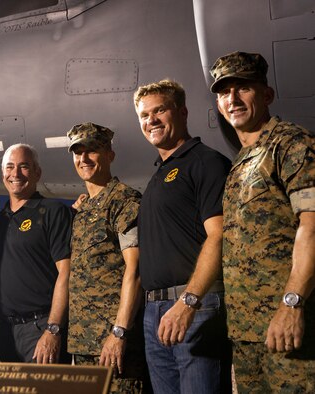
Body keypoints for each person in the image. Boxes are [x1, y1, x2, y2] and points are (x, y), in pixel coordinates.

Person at [210, 51, 315, 391]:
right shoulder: (241, 162)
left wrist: (292, 303)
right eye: (224, 92)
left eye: (244, 88)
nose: (232, 99)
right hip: (248, 332)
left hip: (288, 326)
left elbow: (312, 227)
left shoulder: (291, 143)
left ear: (266, 95)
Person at [133, 80, 232, 393]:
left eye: (159, 110)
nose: (151, 120)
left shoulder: (206, 162)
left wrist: (189, 301)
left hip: (196, 307)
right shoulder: (158, 175)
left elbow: (218, 236)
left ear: (182, 111)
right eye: (144, 115)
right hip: (156, 312)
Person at [66, 123, 147, 393]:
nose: (84, 159)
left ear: (109, 154)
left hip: (113, 345)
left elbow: (135, 270)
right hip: (84, 344)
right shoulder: (84, 208)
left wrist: (119, 332)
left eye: (92, 150)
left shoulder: (124, 201)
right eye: (78, 152)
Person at [0, 144, 72, 364]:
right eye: (9, 167)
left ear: (37, 172)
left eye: (23, 167)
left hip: (40, 328)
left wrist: (53, 329)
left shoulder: (53, 212)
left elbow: (66, 273)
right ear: (3, 174)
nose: (15, 174)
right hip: (5, 330)